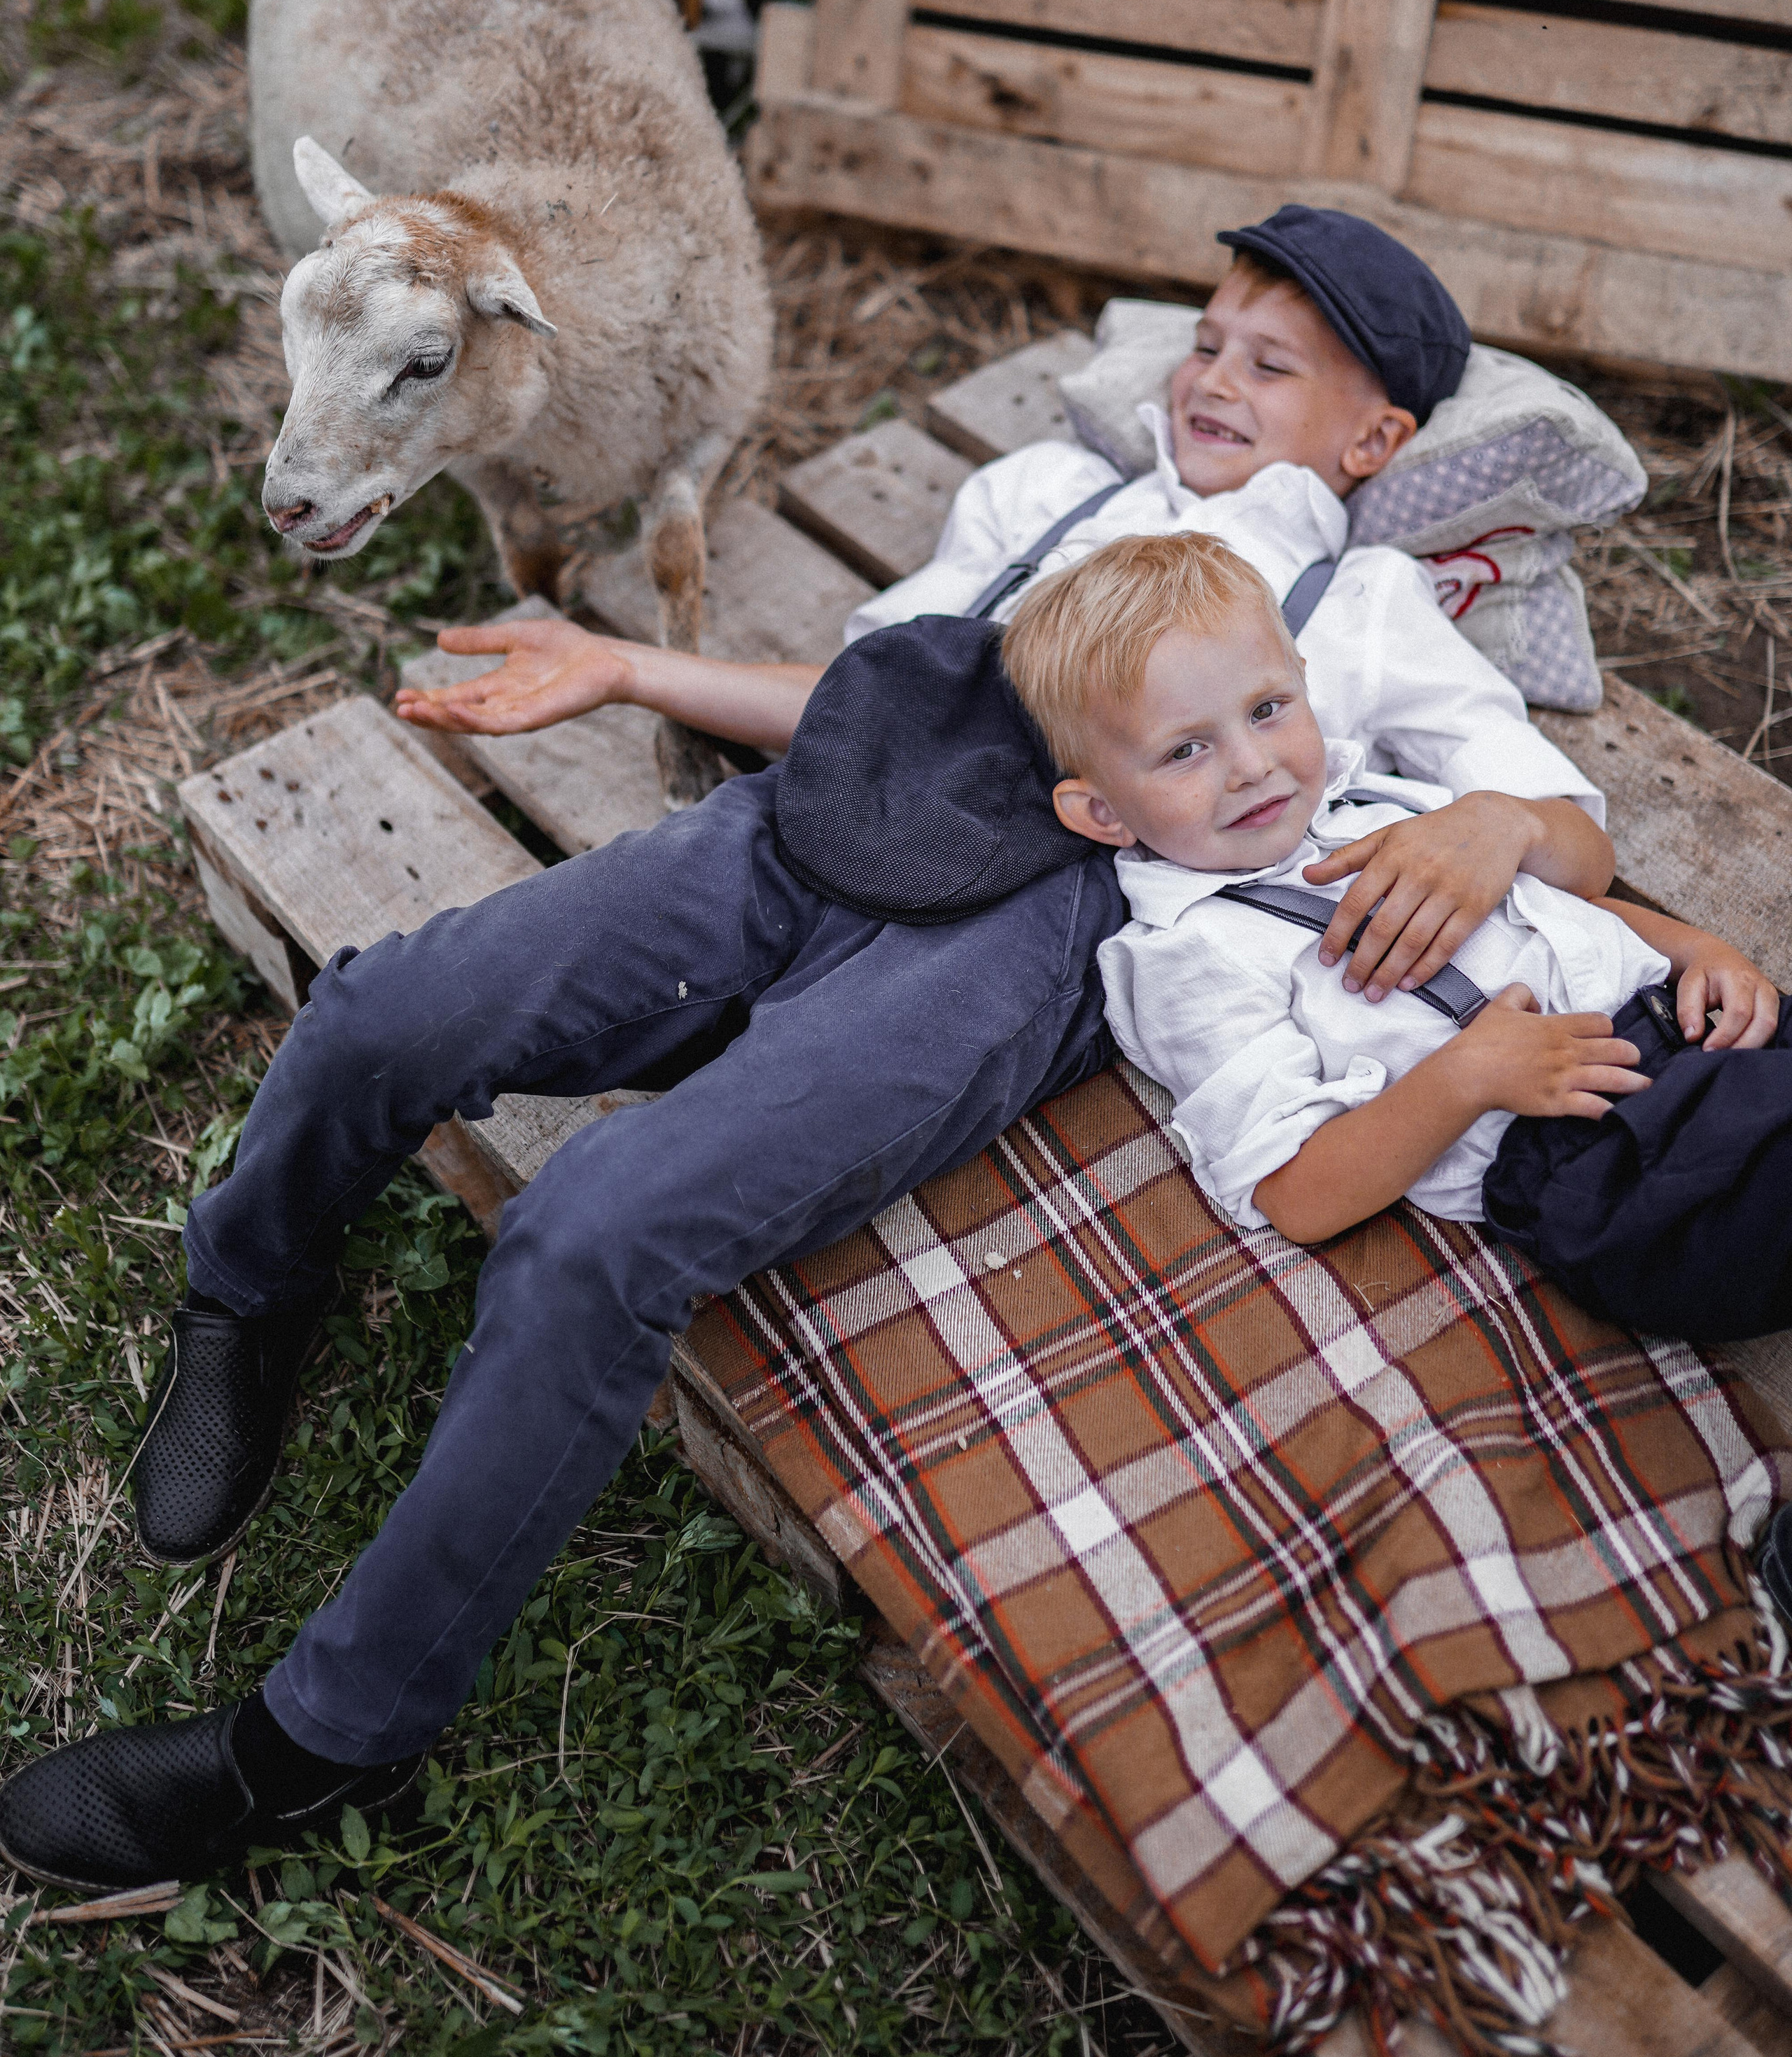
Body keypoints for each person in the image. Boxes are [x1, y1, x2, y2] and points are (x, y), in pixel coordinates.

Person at [0, 208, 1619, 1895]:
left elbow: (1566, 823)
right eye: (1205, 337)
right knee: (386, 1007)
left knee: (599, 1231)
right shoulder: (1040, 499)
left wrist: (1495, 827)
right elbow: (867, 689)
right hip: (807, 826)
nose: (1211, 374)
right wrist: (622, 661)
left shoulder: (1352, 600)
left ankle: (317, 1742)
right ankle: (248, 1289)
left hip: (1017, 938)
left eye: (1269, 364)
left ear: (1369, 441)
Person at [996, 526, 1786, 1339]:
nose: (1251, 765)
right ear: (1101, 811)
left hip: (1692, 1024)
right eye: (1185, 750)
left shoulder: (1373, 800)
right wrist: (1465, 1076)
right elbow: (1295, 1195)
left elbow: (1568, 891)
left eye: (1267, 710)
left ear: (1304, 686)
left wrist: (1696, 950)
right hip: (1603, 1151)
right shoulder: (1187, 955)